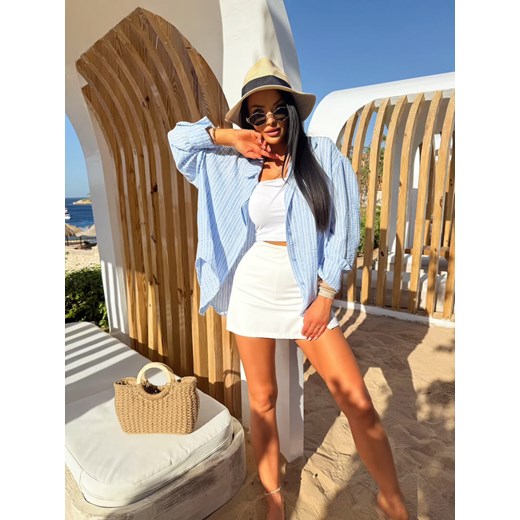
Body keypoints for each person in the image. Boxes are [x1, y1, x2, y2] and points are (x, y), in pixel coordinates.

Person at [168, 57, 409, 520]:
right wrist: (229, 137)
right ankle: (274, 496)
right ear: (247, 119)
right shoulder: (231, 163)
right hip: (252, 290)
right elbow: (178, 141)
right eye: (257, 114)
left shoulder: (321, 154)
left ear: (292, 110)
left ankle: (391, 500)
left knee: (357, 402)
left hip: (305, 295)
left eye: (279, 108)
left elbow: (344, 229)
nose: (270, 120)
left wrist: (326, 295)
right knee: (262, 400)